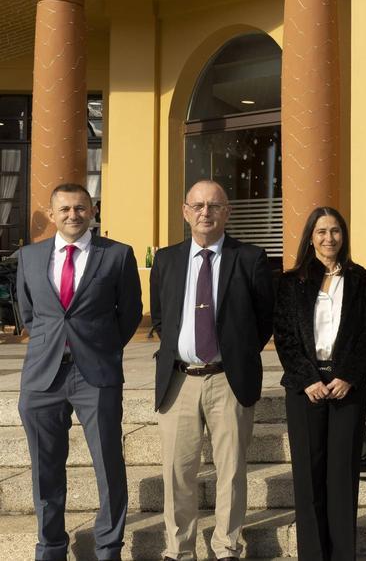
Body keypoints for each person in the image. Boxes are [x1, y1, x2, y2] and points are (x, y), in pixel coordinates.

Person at [16, 183, 142, 561]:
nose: (74, 215)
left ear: (93, 211)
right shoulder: (29, 257)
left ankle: (108, 547)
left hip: (96, 375)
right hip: (42, 377)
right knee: (45, 469)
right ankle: (51, 546)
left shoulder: (117, 255)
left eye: (81, 208)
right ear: (52, 214)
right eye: (65, 209)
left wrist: (101, 348)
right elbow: (29, 313)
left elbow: (131, 313)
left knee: (108, 465)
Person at [151, 179, 275, 561]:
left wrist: (236, 355)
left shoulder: (251, 258)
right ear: (186, 212)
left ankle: (226, 546)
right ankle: (180, 549)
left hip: (228, 379)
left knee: (232, 471)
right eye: (198, 205)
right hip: (179, 380)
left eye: (215, 206)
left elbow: (264, 319)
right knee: (177, 472)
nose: (206, 212)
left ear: (227, 213)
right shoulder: (168, 259)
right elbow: (160, 317)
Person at [274, 206, 366, 561]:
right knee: (309, 475)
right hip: (306, 388)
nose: (328, 238)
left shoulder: (360, 278)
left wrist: (347, 375)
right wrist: (307, 380)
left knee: (342, 475)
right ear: (311, 237)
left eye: (335, 231)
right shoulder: (292, 281)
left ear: (343, 236)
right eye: (321, 232)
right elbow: (285, 336)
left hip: (346, 386)